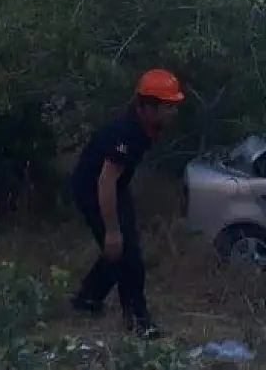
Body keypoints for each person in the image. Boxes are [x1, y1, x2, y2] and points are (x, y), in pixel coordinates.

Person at [69, 68, 185, 339]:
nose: (174, 113)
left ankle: (88, 300)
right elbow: (105, 182)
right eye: (169, 107)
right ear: (148, 107)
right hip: (94, 190)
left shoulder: (149, 125)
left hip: (114, 188)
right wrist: (111, 230)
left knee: (120, 249)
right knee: (125, 254)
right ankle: (137, 320)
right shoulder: (125, 132)